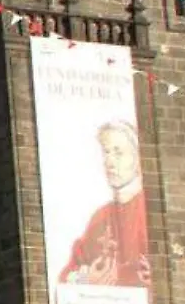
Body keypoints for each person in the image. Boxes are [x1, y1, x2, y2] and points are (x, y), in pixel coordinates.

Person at [57, 121, 149, 287]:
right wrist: (86, 279)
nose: (109, 162)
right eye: (106, 152)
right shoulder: (100, 217)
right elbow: (66, 275)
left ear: (137, 159)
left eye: (118, 153)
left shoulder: (149, 212)